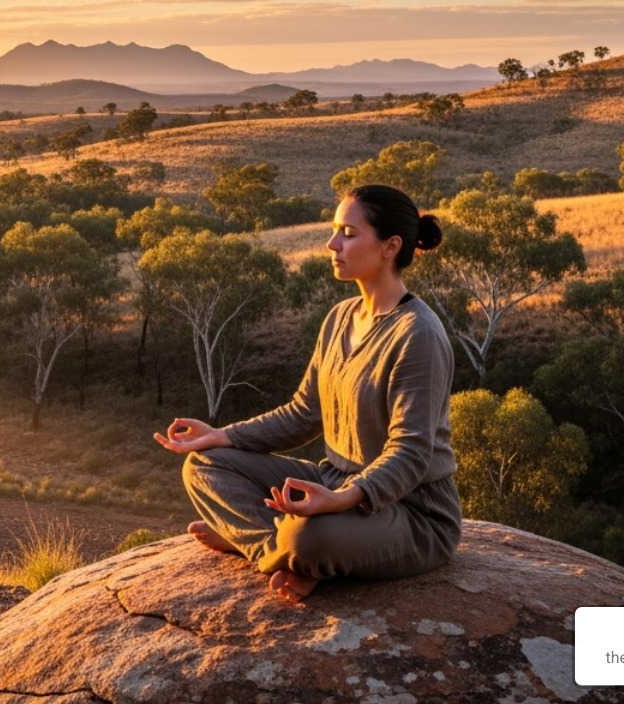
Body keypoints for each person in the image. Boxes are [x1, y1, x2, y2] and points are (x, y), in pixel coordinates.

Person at [154, 183, 460, 603]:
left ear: (390, 246)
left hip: (412, 511)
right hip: (334, 482)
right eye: (335, 230)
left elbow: (410, 452)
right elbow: (303, 413)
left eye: (349, 234)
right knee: (203, 466)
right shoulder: (339, 319)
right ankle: (273, 550)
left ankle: (280, 547)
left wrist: (340, 500)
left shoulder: (418, 335)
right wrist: (222, 436)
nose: (332, 243)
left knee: (306, 536)